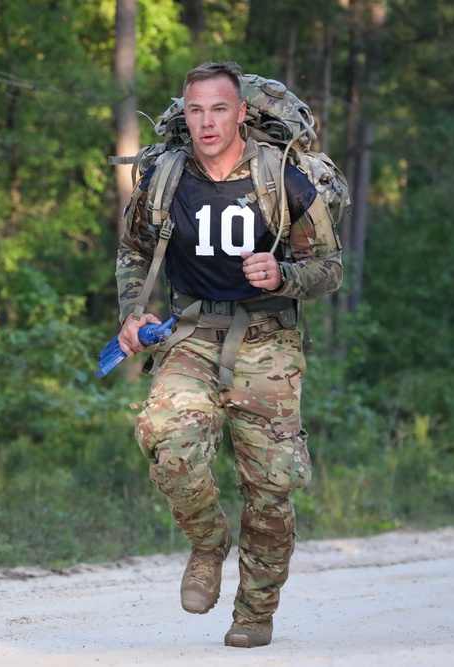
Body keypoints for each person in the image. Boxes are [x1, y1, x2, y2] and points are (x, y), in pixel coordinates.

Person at [114, 61, 343, 648]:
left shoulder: (283, 178)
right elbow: (134, 251)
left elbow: (328, 269)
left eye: (219, 109)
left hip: (268, 338)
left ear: (241, 113)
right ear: (184, 115)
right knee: (166, 436)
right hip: (190, 330)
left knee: (271, 487)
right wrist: (133, 314)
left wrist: (284, 274)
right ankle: (208, 543)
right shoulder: (166, 178)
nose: (207, 122)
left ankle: (255, 611)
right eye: (195, 110)